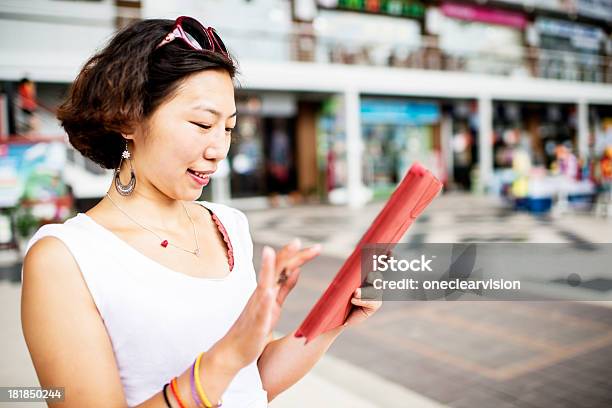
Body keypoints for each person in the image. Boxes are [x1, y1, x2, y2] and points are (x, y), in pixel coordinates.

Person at [20, 17, 381, 408]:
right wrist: (226, 357)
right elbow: (229, 364)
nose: (218, 149)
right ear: (128, 117)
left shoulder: (228, 226)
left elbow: (252, 383)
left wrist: (334, 320)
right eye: (202, 123)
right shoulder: (65, 258)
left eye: (227, 128)